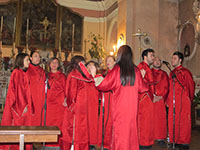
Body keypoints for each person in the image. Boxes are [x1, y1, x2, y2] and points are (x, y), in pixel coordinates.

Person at [89, 45, 148, 150]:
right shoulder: (136, 70)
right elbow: (143, 88)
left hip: (120, 108)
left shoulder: (117, 69)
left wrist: (95, 75)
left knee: (120, 134)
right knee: (130, 134)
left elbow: (104, 85)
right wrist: (142, 77)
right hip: (132, 109)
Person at [1, 53, 34, 150]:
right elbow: (18, 91)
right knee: (18, 131)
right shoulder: (17, 72)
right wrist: (23, 107)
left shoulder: (22, 72)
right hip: (19, 108)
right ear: (21, 61)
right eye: (27, 60)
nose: (29, 62)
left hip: (23, 106)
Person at [61, 55, 93, 150]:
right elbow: (71, 92)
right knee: (76, 128)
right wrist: (72, 105)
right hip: (76, 106)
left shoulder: (79, 74)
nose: (84, 65)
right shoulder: (74, 74)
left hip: (81, 105)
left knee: (82, 128)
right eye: (82, 63)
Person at [166, 51, 195, 150]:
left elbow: (191, 86)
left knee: (183, 121)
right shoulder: (172, 73)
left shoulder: (185, 72)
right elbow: (170, 88)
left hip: (183, 102)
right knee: (173, 120)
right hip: (173, 102)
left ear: (180, 60)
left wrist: (189, 99)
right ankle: (174, 140)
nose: (172, 60)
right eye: (172, 58)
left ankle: (183, 141)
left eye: (174, 58)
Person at [137, 48, 156, 149]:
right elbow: (138, 82)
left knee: (148, 122)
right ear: (145, 57)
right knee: (143, 121)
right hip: (143, 97)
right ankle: (143, 143)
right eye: (151, 55)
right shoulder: (141, 67)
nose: (153, 57)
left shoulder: (148, 67)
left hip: (148, 97)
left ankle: (147, 142)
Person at [45, 57, 66, 148]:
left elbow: (66, 89)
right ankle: (48, 143)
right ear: (49, 64)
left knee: (59, 123)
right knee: (49, 123)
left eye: (56, 62)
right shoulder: (45, 75)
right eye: (52, 62)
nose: (54, 64)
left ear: (59, 65)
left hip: (59, 103)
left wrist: (66, 99)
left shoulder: (62, 76)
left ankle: (58, 144)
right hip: (49, 103)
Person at [97, 55, 115, 149]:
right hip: (106, 98)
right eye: (107, 60)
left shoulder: (116, 72)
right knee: (105, 119)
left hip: (113, 98)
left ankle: (111, 143)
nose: (108, 62)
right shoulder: (104, 73)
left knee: (112, 119)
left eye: (110, 60)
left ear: (115, 62)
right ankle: (104, 142)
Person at [152, 57, 169, 147]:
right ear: (152, 62)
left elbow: (167, 86)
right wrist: (153, 96)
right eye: (155, 60)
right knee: (150, 118)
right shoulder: (148, 72)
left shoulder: (164, 74)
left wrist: (161, 96)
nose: (157, 62)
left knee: (160, 119)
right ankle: (150, 137)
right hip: (151, 100)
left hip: (160, 100)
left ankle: (160, 137)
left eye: (159, 61)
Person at [26, 51, 45, 126]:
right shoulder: (27, 69)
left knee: (39, 117)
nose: (38, 58)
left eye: (39, 56)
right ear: (30, 58)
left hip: (40, 97)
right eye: (35, 56)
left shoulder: (41, 70)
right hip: (31, 96)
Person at [85, 60, 100, 149]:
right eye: (88, 66)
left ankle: (91, 142)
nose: (90, 68)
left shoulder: (98, 77)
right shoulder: (82, 77)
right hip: (83, 104)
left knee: (92, 123)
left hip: (93, 104)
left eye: (92, 66)